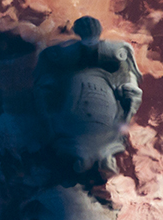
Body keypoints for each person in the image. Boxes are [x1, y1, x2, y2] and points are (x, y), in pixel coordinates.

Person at [33, 16, 142, 174]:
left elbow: (129, 78)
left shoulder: (60, 55)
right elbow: (43, 84)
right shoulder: (60, 55)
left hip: (83, 121)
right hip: (89, 118)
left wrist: (131, 89)